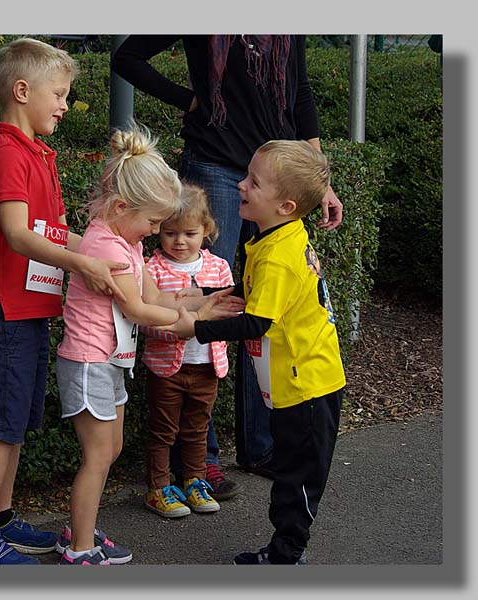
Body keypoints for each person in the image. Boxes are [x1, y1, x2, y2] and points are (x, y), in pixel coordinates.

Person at [112, 35, 344, 494]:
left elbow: (299, 91)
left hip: (277, 177)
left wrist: (320, 181)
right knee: (213, 296)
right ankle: (201, 463)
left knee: (259, 312)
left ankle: (262, 445)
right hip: (218, 163)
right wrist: (192, 101)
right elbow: (128, 57)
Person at [0, 37, 131, 566]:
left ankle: (0, 520)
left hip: (28, 313)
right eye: (60, 94)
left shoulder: (36, 153)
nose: (65, 105)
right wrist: (83, 265)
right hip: (3, 313)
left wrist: (107, 256)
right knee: (1, 428)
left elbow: (56, 233)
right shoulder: (7, 153)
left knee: (18, 423)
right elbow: (18, 234)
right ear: (22, 91)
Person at [54, 122, 245, 565]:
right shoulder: (109, 246)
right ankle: (79, 547)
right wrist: (194, 322)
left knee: (111, 448)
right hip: (89, 361)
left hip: (109, 361)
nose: (156, 230)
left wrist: (204, 301)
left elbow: (157, 296)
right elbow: (141, 309)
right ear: (122, 207)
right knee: (99, 455)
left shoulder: (124, 240)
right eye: (154, 223)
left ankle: (80, 531)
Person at [164, 140, 345, 564]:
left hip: (308, 388)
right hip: (296, 383)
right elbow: (253, 295)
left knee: (296, 481)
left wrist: (197, 326)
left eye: (253, 182)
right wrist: (204, 294)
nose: (241, 184)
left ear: (284, 205)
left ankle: (285, 557)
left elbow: (256, 321)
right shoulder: (277, 235)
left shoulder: (279, 256)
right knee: (291, 473)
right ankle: (285, 552)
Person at [139, 184, 234, 519]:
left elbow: (228, 316)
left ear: (206, 230)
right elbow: (143, 322)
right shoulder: (150, 270)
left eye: (189, 233)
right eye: (170, 233)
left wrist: (206, 323)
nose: (179, 241)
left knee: (197, 428)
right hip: (167, 368)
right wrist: (180, 326)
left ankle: (194, 480)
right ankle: (159, 488)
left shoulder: (219, 268)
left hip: (207, 366)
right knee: (164, 430)